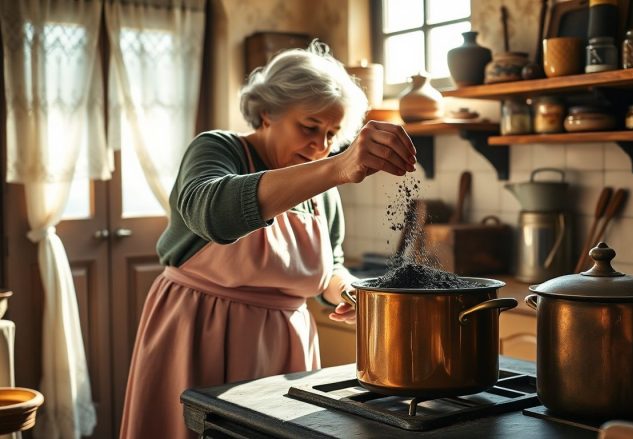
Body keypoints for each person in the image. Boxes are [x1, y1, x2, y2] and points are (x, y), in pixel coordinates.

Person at [120, 40, 417, 439]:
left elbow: (329, 267)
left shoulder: (322, 187)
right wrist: (336, 167)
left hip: (285, 346)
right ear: (266, 113)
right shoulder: (218, 149)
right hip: (197, 330)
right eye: (309, 127)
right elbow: (212, 214)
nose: (321, 146)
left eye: (332, 134)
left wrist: (348, 291)